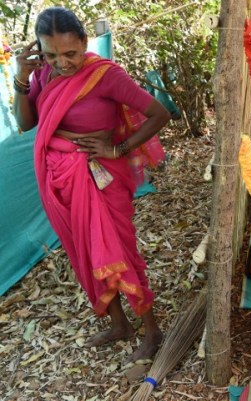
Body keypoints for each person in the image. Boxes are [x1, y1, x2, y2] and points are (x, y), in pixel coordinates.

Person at [13, 7, 171, 361]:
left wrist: (119, 147)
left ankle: (152, 329)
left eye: (70, 53)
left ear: (85, 43)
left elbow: (159, 114)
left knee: (118, 250)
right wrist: (22, 79)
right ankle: (120, 324)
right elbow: (27, 123)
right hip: (61, 179)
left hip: (101, 178)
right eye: (51, 54)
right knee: (84, 249)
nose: (62, 62)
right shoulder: (43, 75)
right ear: (40, 49)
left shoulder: (104, 76)